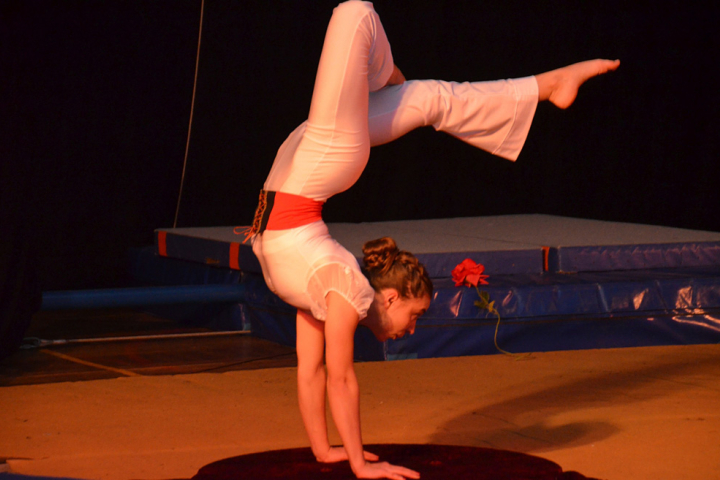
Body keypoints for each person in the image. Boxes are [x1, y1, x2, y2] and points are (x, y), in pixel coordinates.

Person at [247, 2, 620, 478]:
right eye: (417, 315)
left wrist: (341, 456)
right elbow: (333, 378)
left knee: (409, 78)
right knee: (362, 22)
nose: (412, 329)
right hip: (320, 159)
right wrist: (350, 461)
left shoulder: (330, 292)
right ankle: (399, 75)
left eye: (416, 317)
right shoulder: (344, 286)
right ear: (391, 296)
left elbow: (320, 374)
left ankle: (421, 78)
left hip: (309, 159)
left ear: (389, 296)